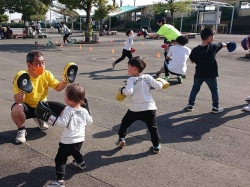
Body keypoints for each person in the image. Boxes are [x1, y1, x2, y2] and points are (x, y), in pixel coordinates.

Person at [11, 50, 73, 144]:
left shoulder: (46, 74)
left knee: (66, 110)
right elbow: (18, 100)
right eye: (38, 63)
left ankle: (40, 118)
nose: (42, 66)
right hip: (27, 106)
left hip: (41, 107)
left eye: (43, 63)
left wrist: (66, 79)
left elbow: (58, 87)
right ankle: (21, 130)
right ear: (29, 65)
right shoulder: (22, 77)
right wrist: (22, 90)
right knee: (16, 108)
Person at [116, 56, 169, 154]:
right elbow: (158, 86)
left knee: (125, 122)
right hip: (149, 108)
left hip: (135, 109)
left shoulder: (131, 79)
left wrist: (122, 90)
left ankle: (121, 138)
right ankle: (156, 146)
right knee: (153, 128)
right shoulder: (148, 77)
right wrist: (162, 81)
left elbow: (128, 91)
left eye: (128, 67)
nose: (127, 69)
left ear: (134, 68)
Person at [47, 83, 93, 187]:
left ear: (70, 99)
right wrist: (88, 110)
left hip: (67, 141)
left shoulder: (67, 110)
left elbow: (61, 123)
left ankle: (60, 181)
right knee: (75, 151)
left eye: (65, 95)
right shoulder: (84, 110)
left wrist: (50, 117)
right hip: (80, 140)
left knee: (60, 159)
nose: (64, 98)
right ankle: (81, 163)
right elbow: (90, 121)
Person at [186, 28, 232, 113]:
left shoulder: (195, 50)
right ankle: (215, 107)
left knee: (195, 89)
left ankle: (190, 105)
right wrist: (229, 44)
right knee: (214, 90)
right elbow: (222, 44)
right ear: (210, 38)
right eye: (213, 36)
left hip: (199, 73)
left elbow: (192, 61)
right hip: (210, 74)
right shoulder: (213, 46)